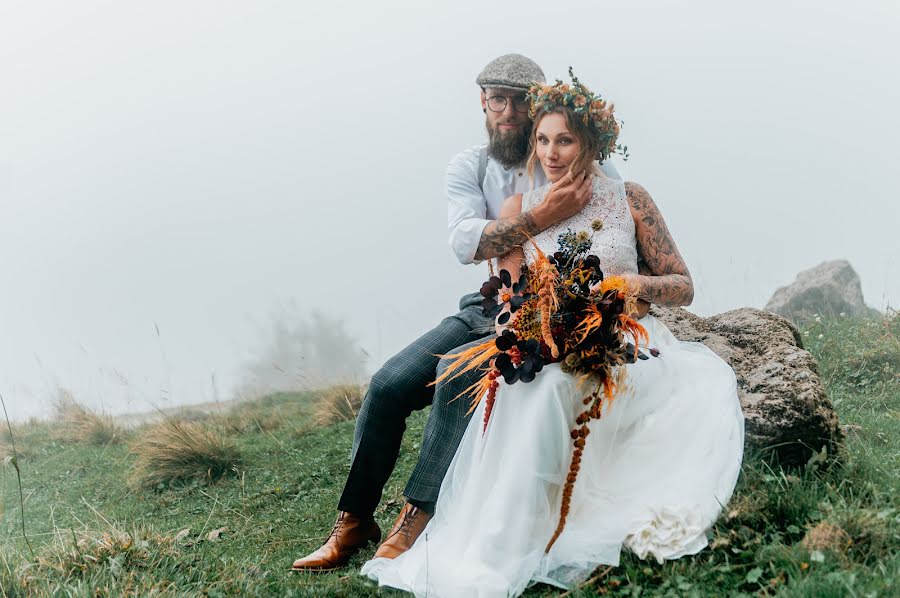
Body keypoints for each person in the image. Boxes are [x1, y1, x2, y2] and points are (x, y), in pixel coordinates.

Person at [360, 73, 745, 597]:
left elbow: (684, 286)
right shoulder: (521, 211)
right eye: (542, 140)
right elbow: (514, 301)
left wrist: (633, 285)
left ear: (591, 142)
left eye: (564, 140)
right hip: (554, 342)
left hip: (628, 340)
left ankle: (558, 524)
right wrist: (540, 332)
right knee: (525, 386)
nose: (551, 152)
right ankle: (497, 539)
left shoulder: (630, 198)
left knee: (556, 392)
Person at [291, 54, 627, 572]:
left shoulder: (577, 162)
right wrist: (540, 216)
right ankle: (354, 520)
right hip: (487, 302)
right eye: (498, 100)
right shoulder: (469, 166)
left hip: (548, 313)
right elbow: (466, 243)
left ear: (540, 109)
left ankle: (415, 517)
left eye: (521, 102)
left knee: (458, 373)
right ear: (483, 103)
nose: (509, 113)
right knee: (387, 385)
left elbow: (611, 239)